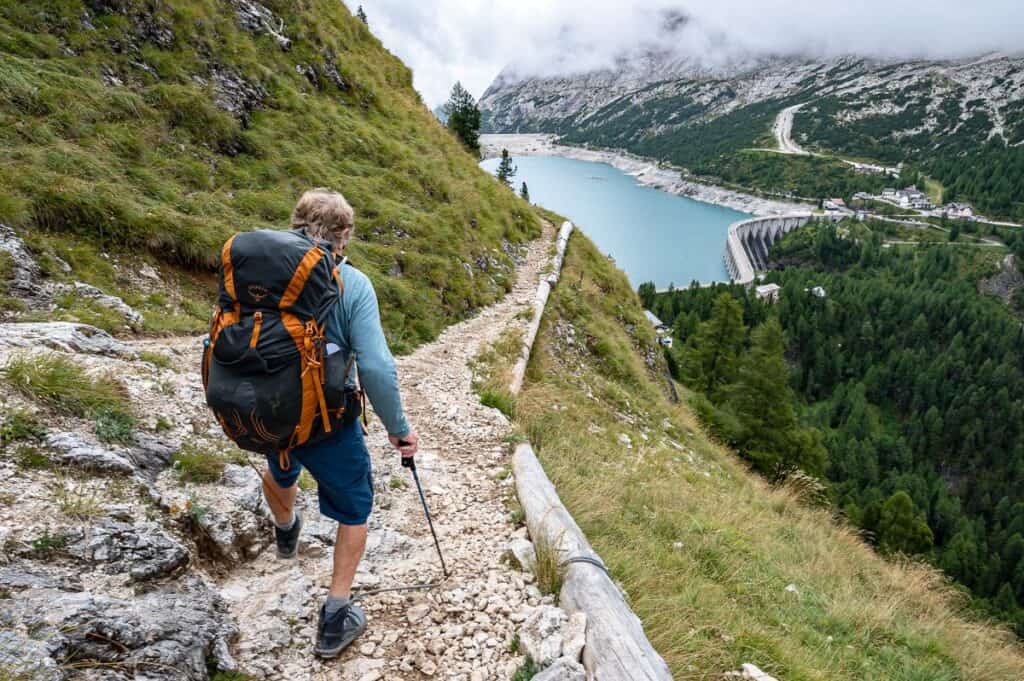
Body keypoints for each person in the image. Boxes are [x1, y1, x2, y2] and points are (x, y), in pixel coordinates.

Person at [261, 188, 419, 658]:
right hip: (328, 420)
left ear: (294, 224)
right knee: (354, 507)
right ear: (343, 236)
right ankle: (335, 614)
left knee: (283, 466)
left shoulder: (260, 276)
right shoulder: (352, 285)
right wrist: (398, 428)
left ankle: (286, 524)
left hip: (267, 410)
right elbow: (375, 369)